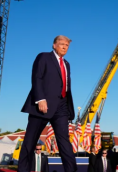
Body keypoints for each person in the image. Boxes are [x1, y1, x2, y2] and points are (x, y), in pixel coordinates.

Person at [19, 35, 76, 172]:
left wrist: (67, 106)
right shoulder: (43, 57)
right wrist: (40, 99)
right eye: (61, 44)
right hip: (42, 105)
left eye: (67, 45)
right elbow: (36, 77)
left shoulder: (67, 64)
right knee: (30, 141)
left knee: (64, 141)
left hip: (62, 106)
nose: (64, 47)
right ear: (54, 45)